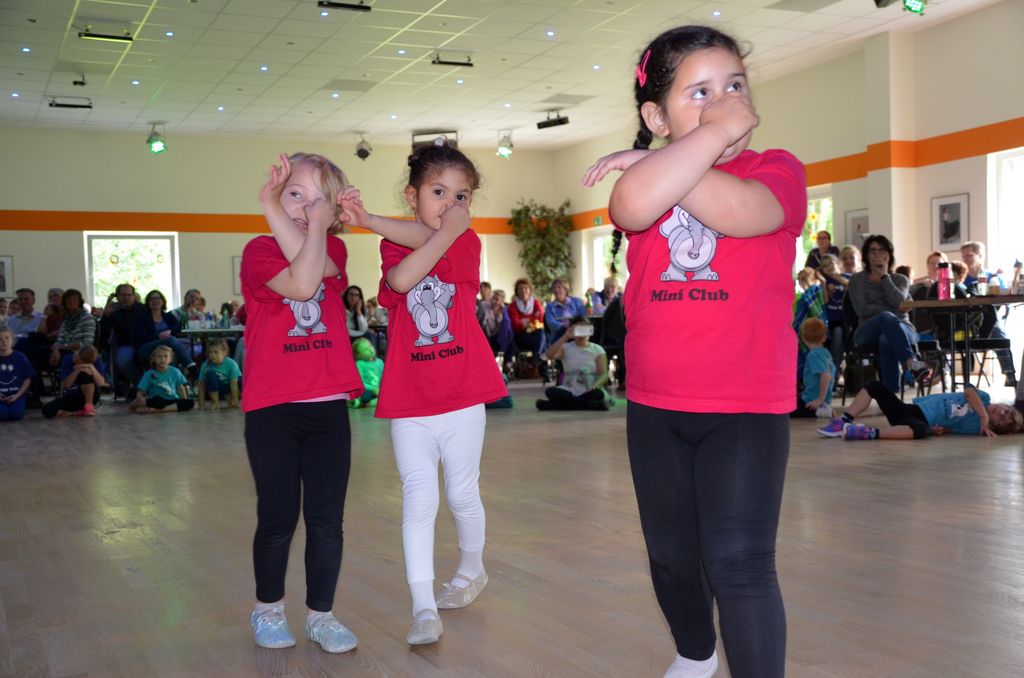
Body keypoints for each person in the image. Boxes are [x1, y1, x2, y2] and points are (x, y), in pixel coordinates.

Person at [581, 25, 806, 678]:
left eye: (734, 86)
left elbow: (740, 212)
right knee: (672, 560)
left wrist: (671, 152)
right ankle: (696, 654)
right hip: (657, 405)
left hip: (745, 407)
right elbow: (632, 205)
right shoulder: (646, 182)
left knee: (740, 561)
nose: (725, 103)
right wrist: (658, 160)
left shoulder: (776, 169)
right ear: (657, 117)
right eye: (700, 93)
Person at [350, 138, 507, 646]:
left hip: (462, 392)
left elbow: (436, 241)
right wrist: (371, 221)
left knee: (462, 492)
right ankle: (422, 607)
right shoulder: (393, 245)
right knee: (419, 498)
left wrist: (373, 220)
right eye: (438, 192)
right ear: (412, 195)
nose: (451, 204)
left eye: (462, 196)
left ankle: (472, 569)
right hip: (411, 398)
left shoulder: (468, 243)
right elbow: (401, 279)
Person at [243, 151, 369, 654]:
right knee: (278, 518)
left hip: (327, 408)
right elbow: (300, 284)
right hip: (272, 408)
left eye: (319, 200)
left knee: (326, 521)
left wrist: (314, 222)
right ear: (278, 197)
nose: (307, 208)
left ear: (335, 211)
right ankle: (268, 609)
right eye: (295, 195)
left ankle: (321, 616)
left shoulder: (334, 251)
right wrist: (272, 207)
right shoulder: (258, 251)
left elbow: (316, 267)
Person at [846, 234, 931, 392]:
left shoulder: (900, 279)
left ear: (889, 255)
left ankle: (891, 394)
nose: (877, 254)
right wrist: (893, 310)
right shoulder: (857, 280)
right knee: (887, 317)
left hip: (903, 328)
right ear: (866, 256)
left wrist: (885, 277)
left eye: (881, 250)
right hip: (867, 330)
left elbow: (898, 302)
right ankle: (912, 361)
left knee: (886, 338)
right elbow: (862, 309)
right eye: (872, 250)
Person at [818, 380, 1022, 440]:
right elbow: (969, 392)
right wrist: (984, 415)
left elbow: (952, 429)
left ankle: (866, 433)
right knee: (875, 386)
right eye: (1006, 410)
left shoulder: (975, 426)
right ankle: (844, 420)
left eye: (1001, 419)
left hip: (917, 422)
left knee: (922, 431)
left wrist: (939, 430)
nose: (1000, 411)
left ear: (994, 426)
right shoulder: (983, 398)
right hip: (910, 409)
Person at [960, 241, 1016, 386]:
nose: (965, 259)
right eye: (963, 256)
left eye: (969, 255)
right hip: (967, 320)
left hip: (989, 319)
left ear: (980, 256)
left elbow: (1004, 299)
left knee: (997, 331)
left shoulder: (992, 277)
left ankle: (1009, 373)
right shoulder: (961, 278)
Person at [535, 315, 613, 411]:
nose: (582, 334)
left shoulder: (597, 349)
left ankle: (553, 406)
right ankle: (590, 405)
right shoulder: (566, 347)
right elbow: (548, 355)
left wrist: (596, 385)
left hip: (589, 387)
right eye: (579, 329)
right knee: (551, 392)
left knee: (598, 394)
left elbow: (604, 374)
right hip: (569, 387)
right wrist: (566, 336)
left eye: (584, 329)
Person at [134, 289, 194, 371]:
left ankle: (174, 377)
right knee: (170, 340)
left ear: (162, 301)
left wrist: (169, 331)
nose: (155, 301)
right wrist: (158, 336)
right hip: (146, 348)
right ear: (148, 302)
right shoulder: (142, 318)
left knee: (172, 353)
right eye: (152, 299)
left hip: (166, 348)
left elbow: (178, 326)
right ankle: (191, 366)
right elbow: (140, 336)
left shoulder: (168, 316)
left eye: (158, 298)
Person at [42, 345, 106, 418]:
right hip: (73, 395)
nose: (75, 361)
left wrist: (91, 367)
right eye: (77, 359)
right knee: (47, 410)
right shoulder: (68, 359)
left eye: (80, 362)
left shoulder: (96, 359)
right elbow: (66, 384)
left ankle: (89, 406)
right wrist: (77, 371)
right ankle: (76, 413)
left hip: (91, 396)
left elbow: (101, 383)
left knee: (85, 375)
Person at [128, 345, 194, 413]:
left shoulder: (176, 371)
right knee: (157, 400)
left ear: (170, 359)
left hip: (172, 400)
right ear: (154, 359)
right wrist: (140, 400)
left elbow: (180, 388)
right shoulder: (149, 373)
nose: (162, 359)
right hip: (157, 401)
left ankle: (161, 410)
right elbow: (140, 392)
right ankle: (153, 407)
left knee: (190, 403)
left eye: (165, 356)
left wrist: (184, 401)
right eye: (159, 356)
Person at [791, 318, 834, 419]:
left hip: (811, 400)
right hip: (820, 398)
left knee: (789, 409)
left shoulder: (813, 355)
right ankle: (823, 407)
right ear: (824, 337)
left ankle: (820, 411)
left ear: (803, 338)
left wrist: (820, 399)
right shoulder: (826, 353)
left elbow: (825, 375)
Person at [507, 277, 547, 380]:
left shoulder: (536, 303)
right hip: (521, 338)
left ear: (530, 290)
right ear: (517, 291)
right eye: (520, 289)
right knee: (542, 340)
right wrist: (532, 319)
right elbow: (516, 325)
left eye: (526, 288)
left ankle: (536, 358)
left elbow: (540, 318)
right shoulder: (513, 306)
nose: (523, 291)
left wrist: (524, 321)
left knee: (541, 332)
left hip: (536, 336)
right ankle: (539, 364)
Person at [819, 253, 847, 370]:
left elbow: (853, 289)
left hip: (846, 319)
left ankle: (834, 371)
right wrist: (824, 284)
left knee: (839, 333)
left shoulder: (847, 276)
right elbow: (824, 301)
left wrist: (839, 279)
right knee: (835, 334)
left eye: (831, 263)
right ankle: (832, 371)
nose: (829, 267)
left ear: (838, 263)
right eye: (825, 266)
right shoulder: (824, 281)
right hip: (832, 320)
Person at [0, 326, 34, 421]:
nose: (4, 341)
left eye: (7, 338)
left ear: (13, 340)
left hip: (17, 395)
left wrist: (18, 395)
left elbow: (28, 378)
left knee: (17, 415)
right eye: (0, 339)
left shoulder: (20, 357)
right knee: (2, 415)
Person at [197, 338, 241, 410]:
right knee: (210, 374)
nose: (212, 355)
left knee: (241, 380)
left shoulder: (232, 364)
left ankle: (233, 399)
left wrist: (236, 401)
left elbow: (234, 383)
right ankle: (215, 402)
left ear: (224, 352)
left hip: (231, 387)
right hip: (216, 390)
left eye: (216, 352)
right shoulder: (205, 365)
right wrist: (201, 404)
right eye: (210, 352)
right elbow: (201, 386)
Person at [544, 278, 587, 344]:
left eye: (559, 287)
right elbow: (551, 322)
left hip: (577, 332)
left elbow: (583, 317)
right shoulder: (550, 306)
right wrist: (565, 327)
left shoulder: (577, 301)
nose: (556, 290)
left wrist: (575, 327)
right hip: (560, 334)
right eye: (554, 288)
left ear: (565, 290)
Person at [349, 336, 383, 409]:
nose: (370, 349)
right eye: (365, 349)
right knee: (365, 395)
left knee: (390, 394)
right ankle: (361, 401)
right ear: (359, 355)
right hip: (368, 391)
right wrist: (372, 388)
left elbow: (385, 378)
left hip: (379, 390)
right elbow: (359, 383)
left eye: (370, 346)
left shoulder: (379, 362)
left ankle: (365, 404)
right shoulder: (360, 364)